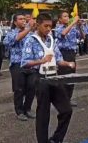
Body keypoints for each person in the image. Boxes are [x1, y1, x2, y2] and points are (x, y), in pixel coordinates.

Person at [21, 13, 75, 143]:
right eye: (45, 26)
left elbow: (58, 59)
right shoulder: (31, 40)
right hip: (39, 78)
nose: (48, 29)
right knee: (43, 113)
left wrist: (68, 63)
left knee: (66, 110)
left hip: (53, 77)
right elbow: (25, 62)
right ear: (38, 25)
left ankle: (57, 139)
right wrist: (41, 61)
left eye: (50, 26)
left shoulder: (51, 39)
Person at [3, 14, 36, 121]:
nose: (23, 21)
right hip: (17, 64)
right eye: (20, 19)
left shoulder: (31, 33)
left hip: (30, 63)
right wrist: (29, 28)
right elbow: (16, 39)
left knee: (31, 87)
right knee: (19, 89)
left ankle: (28, 109)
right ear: (15, 22)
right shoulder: (11, 33)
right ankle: (19, 111)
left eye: (24, 19)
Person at [55, 11, 85, 107]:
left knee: (72, 76)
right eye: (65, 16)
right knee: (64, 77)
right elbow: (63, 34)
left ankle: (68, 98)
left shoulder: (72, 28)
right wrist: (73, 23)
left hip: (72, 54)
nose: (67, 18)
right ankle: (62, 99)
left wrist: (79, 26)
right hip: (63, 54)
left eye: (68, 16)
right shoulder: (58, 28)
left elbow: (82, 36)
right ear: (60, 19)